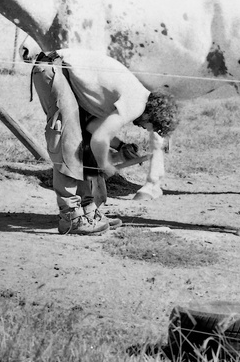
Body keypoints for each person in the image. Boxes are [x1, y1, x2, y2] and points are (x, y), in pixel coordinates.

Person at [30, 48, 179, 235]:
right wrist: (105, 165)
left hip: (62, 71)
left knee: (84, 140)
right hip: (55, 69)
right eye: (152, 126)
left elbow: (94, 130)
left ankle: (88, 210)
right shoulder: (137, 103)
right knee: (69, 142)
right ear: (153, 114)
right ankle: (70, 218)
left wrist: (120, 146)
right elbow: (100, 138)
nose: (146, 129)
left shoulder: (138, 97)